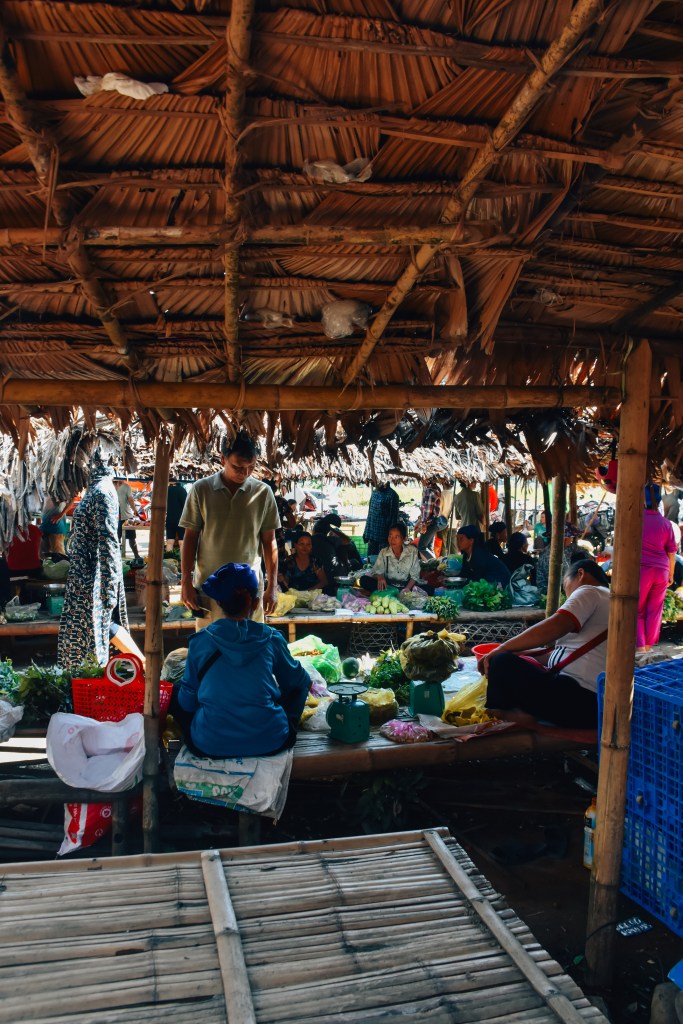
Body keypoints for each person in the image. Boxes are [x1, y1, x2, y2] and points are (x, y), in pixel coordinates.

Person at [171, 563, 310, 758]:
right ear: (255, 602)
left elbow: (187, 703)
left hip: (210, 744)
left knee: (175, 691)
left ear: (218, 602)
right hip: (271, 740)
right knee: (300, 686)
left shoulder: (201, 641)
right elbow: (299, 682)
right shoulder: (271, 638)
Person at [481, 560, 610, 729]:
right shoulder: (608, 599)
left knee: (502, 662)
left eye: (566, 587)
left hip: (576, 699)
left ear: (580, 574)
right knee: (506, 659)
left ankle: (508, 715)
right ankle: (520, 713)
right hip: (593, 707)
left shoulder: (590, 591)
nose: (569, 595)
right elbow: (555, 654)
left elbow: (554, 627)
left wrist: (502, 649)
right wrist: (517, 654)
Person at [179, 431, 279, 626]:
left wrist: (272, 587)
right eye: (238, 467)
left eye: (251, 467)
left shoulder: (263, 493)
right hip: (210, 588)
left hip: (248, 591)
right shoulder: (201, 489)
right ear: (222, 458)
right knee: (211, 647)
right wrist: (185, 582)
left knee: (249, 645)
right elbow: (190, 537)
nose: (245, 473)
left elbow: (270, 542)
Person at [58, 450, 128, 671]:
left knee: (91, 645)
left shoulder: (101, 492)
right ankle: (81, 686)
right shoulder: (96, 489)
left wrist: (108, 590)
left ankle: (90, 689)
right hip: (86, 580)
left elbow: (109, 541)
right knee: (83, 646)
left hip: (92, 583)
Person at [638, 482, 677, 657]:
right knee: (655, 610)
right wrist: (671, 574)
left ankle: (640, 646)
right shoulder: (666, 523)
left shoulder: (636, 519)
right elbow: (672, 552)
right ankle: (649, 646)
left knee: (637, 608)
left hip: (642, 569)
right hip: (662, 570)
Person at [359, 522, 422, 593]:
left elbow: (415, 576)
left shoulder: (412, 551)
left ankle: (397, 593)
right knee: (364, 580)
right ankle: (391, 593)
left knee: (428, 589)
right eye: (390, 536)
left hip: (406, 585)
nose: (392, 540)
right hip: (388, 586)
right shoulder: (384, 552)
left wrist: (407, 589)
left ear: (404, 539)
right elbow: (375, 572)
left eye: (396, 537)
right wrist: (380, 577)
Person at [535, 523, 582, 595]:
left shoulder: (566, 548)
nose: (571, 539)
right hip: (549, 591)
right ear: (564, 538)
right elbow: (555, 581)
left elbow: (580, 550)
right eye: (571, 537)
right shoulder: (551, 555)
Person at [363, 482, 400, 557]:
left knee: (383, 559)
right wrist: (366, 532)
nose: (379, 483)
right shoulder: (374, 492)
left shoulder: (392, 495)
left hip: (383, 535)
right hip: (371, 533)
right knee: (370, 560)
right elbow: (370, 513)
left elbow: (393, 518)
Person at [114, 478, 140, 559]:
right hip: (123, 516)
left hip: (120, 517)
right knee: (130, 538)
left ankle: (135, 556)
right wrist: (134, 509)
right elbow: (130, 499)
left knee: (117, 539)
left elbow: (131, 499)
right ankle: (136, 556)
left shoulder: (111, 487)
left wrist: (134, 509)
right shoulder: (125, 487)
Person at [417, 478, 442, 559]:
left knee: (422, 547)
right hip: (434, 522)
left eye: (422, 479)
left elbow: (427, 511)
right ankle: (431, 568)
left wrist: (423, 524)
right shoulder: (436, 489)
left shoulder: (429, 491)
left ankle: (435, 564)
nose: (421, 481)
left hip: (429, 523)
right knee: (429, 547)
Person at [165, 479, 188, 553]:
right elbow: (186, 505)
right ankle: (183, 562)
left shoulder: (166, 490)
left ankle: (169, 560)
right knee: (182, 541)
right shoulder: (182, 490)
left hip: (169, 519)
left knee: (170, 541)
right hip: (181, 519)